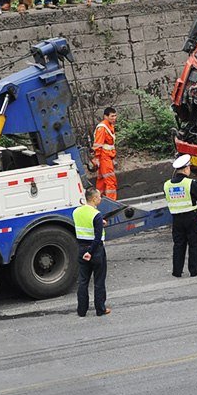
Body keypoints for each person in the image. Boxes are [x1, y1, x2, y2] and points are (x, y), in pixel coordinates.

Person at [165, 154, 197, 277]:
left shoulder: (167, 185)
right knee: (193, 244)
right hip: (190, 217)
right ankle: (194, 270)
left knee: (178, 244)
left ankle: (177, 271)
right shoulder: (190, 183)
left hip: (176, 219)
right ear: (186, 169)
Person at [73, 187, 110, 317]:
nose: (100, 198)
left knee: (83, 281)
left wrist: (100, 222)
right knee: (99, 281)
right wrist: (91, 251)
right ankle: (100, 309)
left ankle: (81, 310)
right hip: (95, 250)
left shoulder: (76, 212)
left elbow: (84, 225)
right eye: (99, 197)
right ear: (94, 199)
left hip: (81, 249)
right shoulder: (96, 214)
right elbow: (98, 236)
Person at [93, 107, 118, 200]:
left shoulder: (109, 125)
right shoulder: (103, 128)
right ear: (105, 116)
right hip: (104, 157)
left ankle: (99, 200)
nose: (114, 118)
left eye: (115, 116)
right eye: (112, 116)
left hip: (106, 157)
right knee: (110, 181)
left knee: (102, 181)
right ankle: (112, 203)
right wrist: (97, 158)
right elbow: (98, 144)